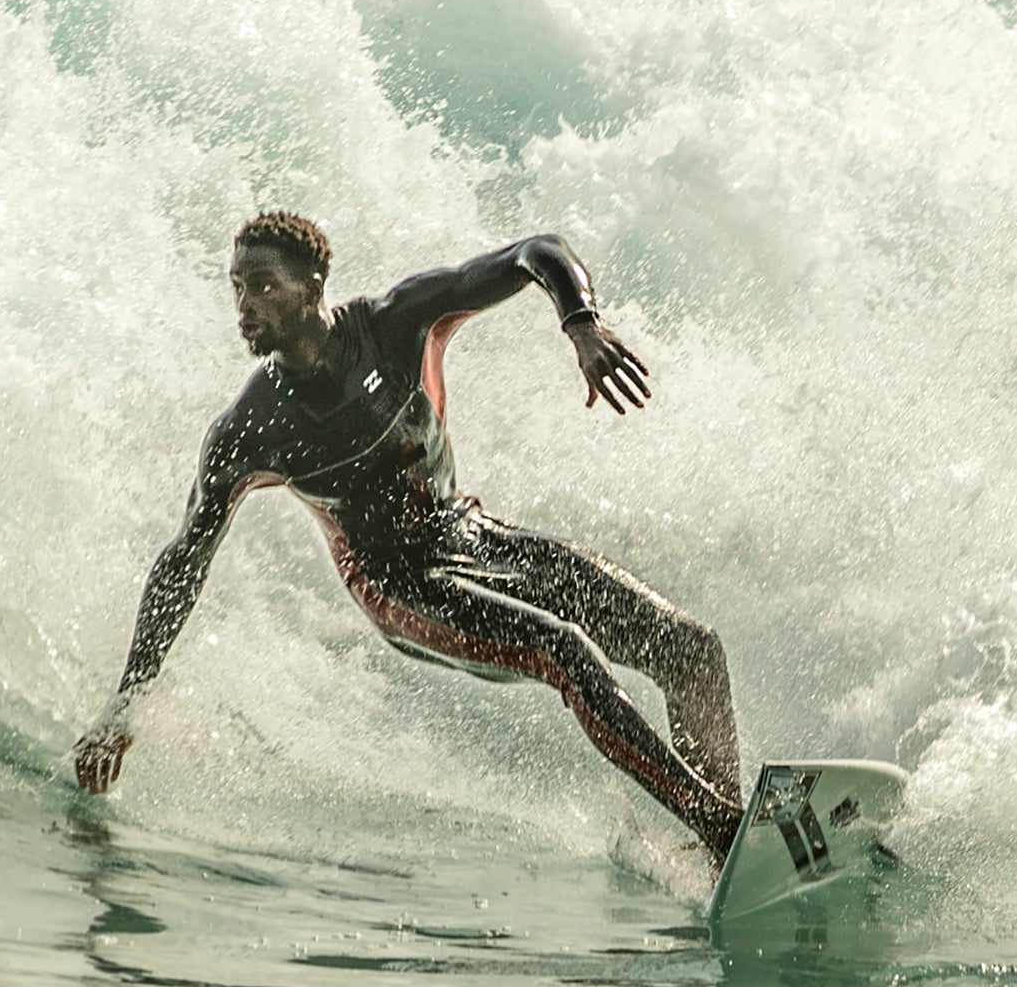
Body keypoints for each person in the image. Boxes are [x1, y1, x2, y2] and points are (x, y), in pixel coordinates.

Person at [70, 211, 745, 854]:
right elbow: (184, 560)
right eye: (237, 288)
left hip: (470, 534)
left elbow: (535, 251)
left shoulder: (397, 325)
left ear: (312, 288)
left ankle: (726, 846)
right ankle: (719, 826)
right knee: (563, 649)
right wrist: (124, 703)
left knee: (691, 647)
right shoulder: (250, 429)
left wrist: (581, 323)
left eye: (264, 287)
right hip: (396, 584)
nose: (245, 305)